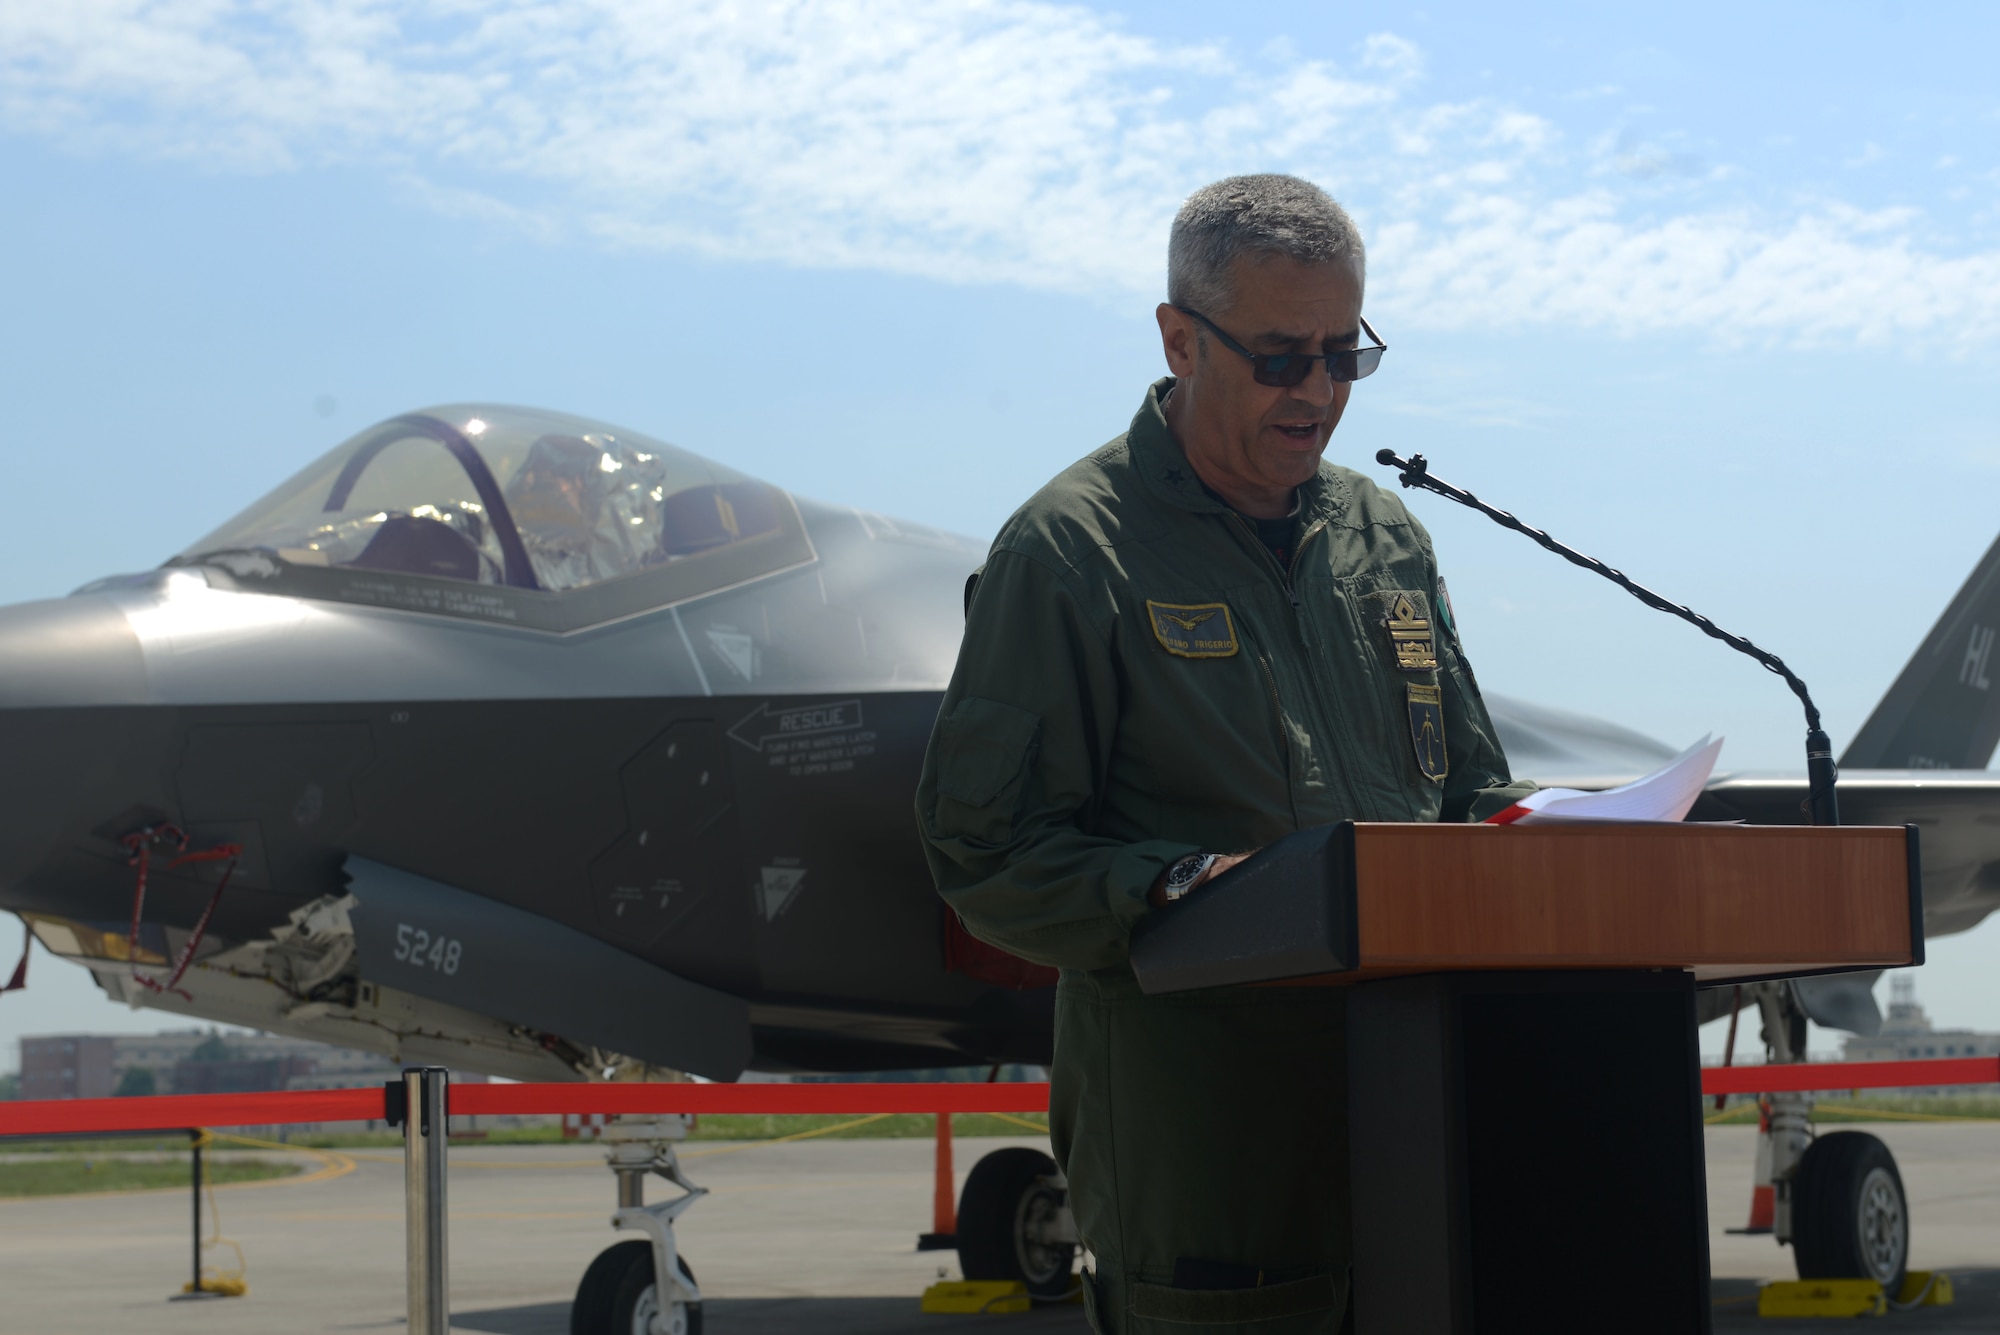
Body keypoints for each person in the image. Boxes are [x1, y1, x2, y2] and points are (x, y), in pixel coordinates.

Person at [915, 174, 1534, 1334]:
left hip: (1416, 1126)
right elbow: (986, 855)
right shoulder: (1069, 551)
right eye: (1279, 357)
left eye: (1343, 357)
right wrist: (1174, 888)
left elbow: (1464, 787)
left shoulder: (1382, 533)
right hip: (1209, 1160)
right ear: (1177, 340)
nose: (1316, 394)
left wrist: (1556, 839)